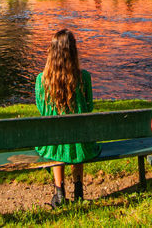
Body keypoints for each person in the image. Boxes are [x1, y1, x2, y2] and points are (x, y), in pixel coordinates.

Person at [35, 29, 100, 207]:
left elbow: (42, 110)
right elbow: (90, 107)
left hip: (52, 145)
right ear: (73, 52)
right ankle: (79, 190)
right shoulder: (83, 77)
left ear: (51, 51)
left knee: (57, 140)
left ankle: (59, 192)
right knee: (77, 138)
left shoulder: (42, 80)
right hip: (81, 143)